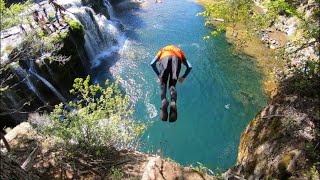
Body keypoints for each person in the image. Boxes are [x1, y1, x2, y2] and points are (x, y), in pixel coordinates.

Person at [150, 45, 192, 122]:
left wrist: (158, 74)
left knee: (163, 84)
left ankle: (164, 101)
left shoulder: (163, 50)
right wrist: (183, 77)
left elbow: (152, 63)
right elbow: (189, 66)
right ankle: (173, 102)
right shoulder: (179, 51)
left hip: (164, 59)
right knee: (172, 85)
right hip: (177, 60)